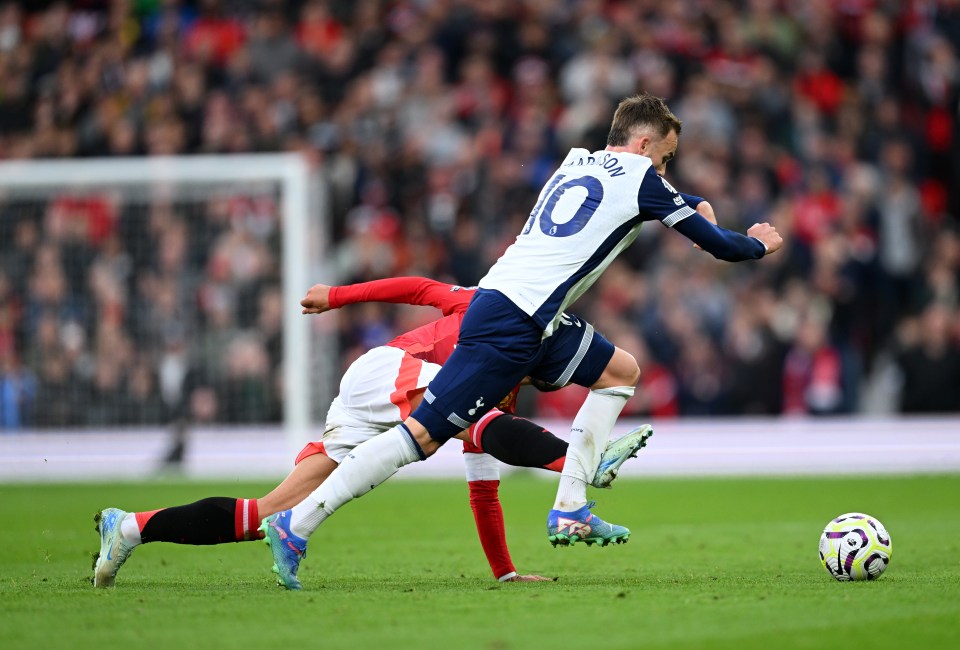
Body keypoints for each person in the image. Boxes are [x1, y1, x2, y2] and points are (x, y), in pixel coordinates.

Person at [264, 92, 783, 585]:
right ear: (645, 146)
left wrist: (692, 201)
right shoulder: (644, 179)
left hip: (532, 318)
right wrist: (757, 244)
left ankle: (570, 507)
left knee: (620, 372)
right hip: (508, 321)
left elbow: (647, 197)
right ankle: (298, 523)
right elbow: (721, 248)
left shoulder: (576, 160)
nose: (664, 171)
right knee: (420, 439)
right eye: (665, 159)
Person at [93, 277, 652, 589]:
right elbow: (415, 288)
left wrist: (505, 573)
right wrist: (335, 297)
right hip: (385, 370)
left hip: (369, 407)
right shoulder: (488, 306)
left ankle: (132, 528)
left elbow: (483, 485)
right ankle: (585, 467)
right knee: (477, 423)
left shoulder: (500, 399)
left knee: (262, 514)